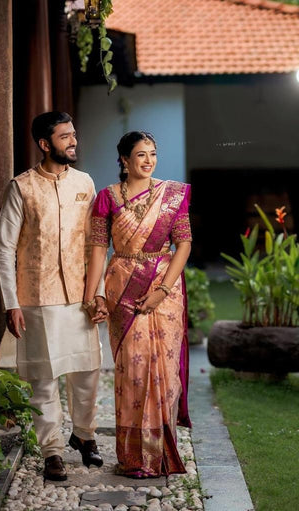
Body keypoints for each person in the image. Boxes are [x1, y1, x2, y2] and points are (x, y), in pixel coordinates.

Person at [0, 111, 107, 481]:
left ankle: (85, 436)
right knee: (43, 379)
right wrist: (11, 301)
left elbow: (97, 243)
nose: (73, 141)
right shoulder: (22, 187)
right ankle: (52, 452)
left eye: (74, 134)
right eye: (65, 137)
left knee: (87, 373)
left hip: (81, 296)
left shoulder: (85, 183)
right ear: (45, 144)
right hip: (37, 298)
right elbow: (4, 247)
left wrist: (100, 293)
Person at [83, 131, 192, 478]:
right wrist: (94, 294)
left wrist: (161, 289)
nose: (148, 161)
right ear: (124, 160)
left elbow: (184, 245)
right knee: (132, 369)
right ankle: (134, 457)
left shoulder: (172, 195)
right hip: (122, 287)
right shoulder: (107, 198)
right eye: (141, 154)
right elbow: (98, 250)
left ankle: (161, 454)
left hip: (165, 289)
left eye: (153, 154)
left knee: (164, 369)